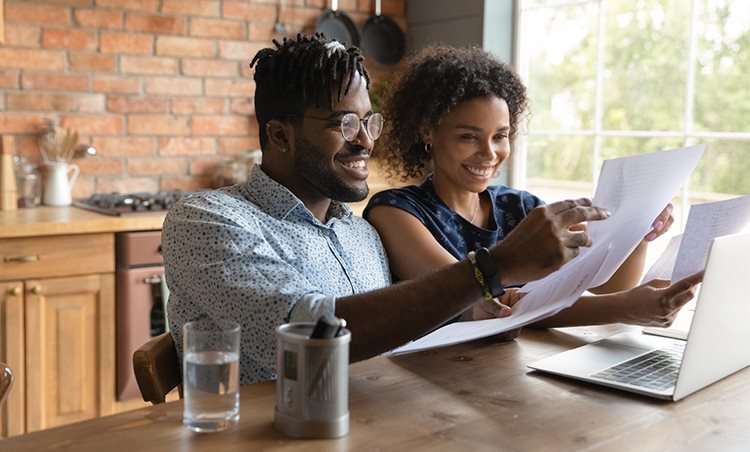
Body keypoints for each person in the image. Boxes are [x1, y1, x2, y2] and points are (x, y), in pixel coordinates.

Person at [162, 34, 612, 385]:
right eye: (345, 123)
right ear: (280, 135)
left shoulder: (361, 234)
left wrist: (475, 311)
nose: (366, 140)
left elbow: (405, 324)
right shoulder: (207, 219)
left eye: (368, 121)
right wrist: (493, 267)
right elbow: (312, 334)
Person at [364, 44, 701, 328]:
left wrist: (639, 232)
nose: (489, 153)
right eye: (468, 136)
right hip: (437, 379)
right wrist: (623, 308)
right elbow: (485, 304)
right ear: (427, 131)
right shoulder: (394, 213)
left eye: (501, 136)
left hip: (520, 371)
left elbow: (610, 285)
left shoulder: (521, 208)